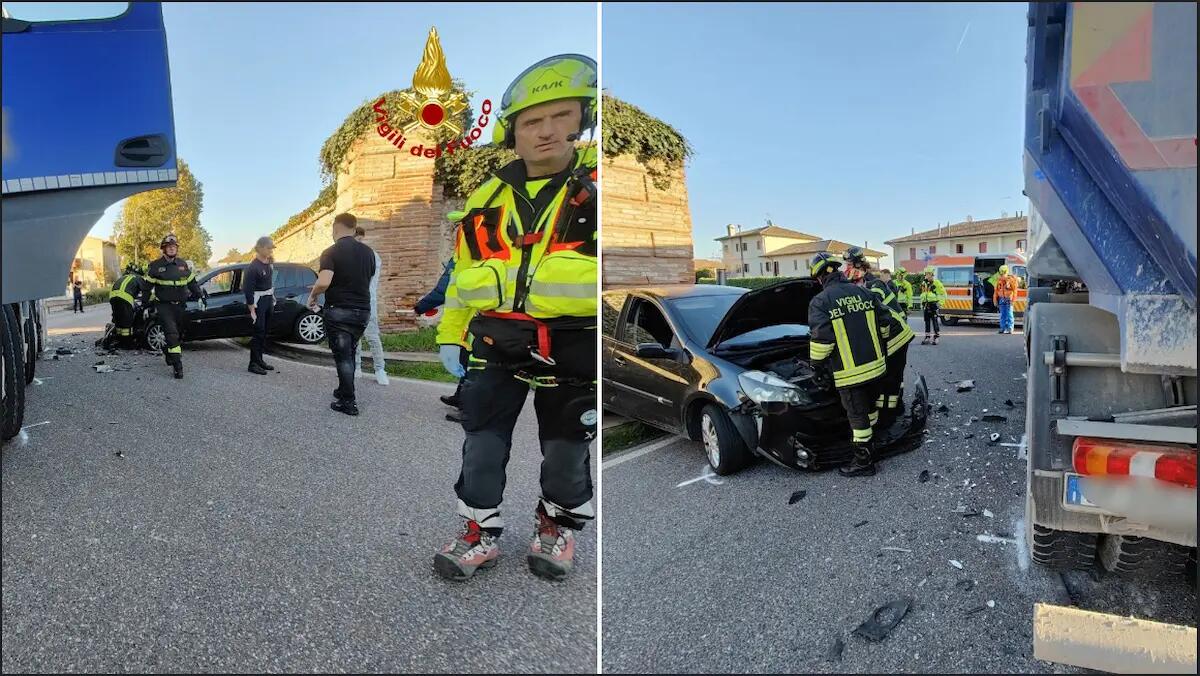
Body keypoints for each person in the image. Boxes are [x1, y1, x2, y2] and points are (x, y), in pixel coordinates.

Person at [433, 53, 598, 582]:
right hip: (494, 342)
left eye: (561, 116)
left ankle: (556, 528)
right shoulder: (485, 198)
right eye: (531, 121)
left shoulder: (600, 193)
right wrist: (451, 336)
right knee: (481, 442)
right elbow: (463, 277)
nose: (546, 131)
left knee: (566, 450)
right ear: (513, 132)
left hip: (572, 345)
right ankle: (478, 534)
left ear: (582, 120)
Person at [807, 253, 891, 477]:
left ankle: (863, 462)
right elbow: (885, 322)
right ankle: (871, 443)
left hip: (850, 374)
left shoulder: (821, 301)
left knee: (857, 415)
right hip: (877, 367)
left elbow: (822, 342)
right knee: (871, 410)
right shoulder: (863, 291)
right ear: (838, 271)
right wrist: (879, 344)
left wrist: (816, 367)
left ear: (819, 279)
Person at [306, 212, 375, 416]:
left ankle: (348, 402)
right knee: (350, 353)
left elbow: (324, 281)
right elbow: (366, 279)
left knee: (343, 357)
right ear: (354, 228)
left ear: (335, 228)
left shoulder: (331, 251)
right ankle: (343, 389)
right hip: (362, 311)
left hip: (340, 311)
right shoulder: (369, 252)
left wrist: (313, 296)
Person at [844, 250, 915, 432]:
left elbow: (877, 319)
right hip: (897, 335)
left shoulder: (872, 287)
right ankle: (897, 407)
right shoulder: (871, 284)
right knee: (894, 378)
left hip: (895, 337)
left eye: (850, 265)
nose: (847, 269)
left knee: (889, 381)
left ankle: (888, 420)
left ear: (859, 266)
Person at [141, 233, 203, 379]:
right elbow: (146, 287)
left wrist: (200, 296)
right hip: (164, 306)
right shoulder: (155, 266)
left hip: (180, 306)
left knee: (178, 335)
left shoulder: (183, 264)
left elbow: (192, 282)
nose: (171, 249)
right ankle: (178, 367)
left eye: (174, 246)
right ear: (164, 249)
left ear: (177, 249)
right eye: (168, 247)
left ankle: (168, 351)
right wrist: (144, 305)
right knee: (172, 334)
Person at [353, 226, 389, 386]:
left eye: (360, 239)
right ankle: (357, 367)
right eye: (355, 239)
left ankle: (380, 370)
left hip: (368, 301)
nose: (358, 242)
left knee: (373, 337)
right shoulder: (351, 255)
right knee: (355, 337)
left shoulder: (372, 255)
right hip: (353, 300)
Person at [244, 236, 276, 375]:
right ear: (261, 248)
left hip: (268, 300)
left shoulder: (268, 262)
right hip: (258, 303)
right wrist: (252, 308)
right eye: (269, 248)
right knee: (258, 332)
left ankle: (260, 360)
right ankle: (253, 364)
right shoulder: (253, 267)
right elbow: (248, 289)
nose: (271, 251)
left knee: (264, 332)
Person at [105, 263, 146, 349]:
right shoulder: (139, 278)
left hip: (113, 296)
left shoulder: (126, 277)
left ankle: (117, 338)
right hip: (125, 298)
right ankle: (126, 343)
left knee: (118, 318)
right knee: (127, 321)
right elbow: (146, 292)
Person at [918, 266, 947, 345]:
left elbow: (943, 294)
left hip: (934, 304)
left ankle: (936, 337)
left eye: (929, 274)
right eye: (926, 274)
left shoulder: (937, 283)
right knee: (927, 321)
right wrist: (922, 303)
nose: (927, 275)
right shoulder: (924, 283)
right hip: (926, 305)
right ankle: (927, 337)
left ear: (932, 274)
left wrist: (940, 304)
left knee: (934, 321)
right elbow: (923, 294)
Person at [993, 264, 1019, 334]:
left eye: (1003, 273)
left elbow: (1015, 291)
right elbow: (995, 292)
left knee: (1009, 314)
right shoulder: (998, 281)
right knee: (1003, 315)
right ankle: (1002, 328)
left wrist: (1013, 300)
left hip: (1009, 299)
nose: (1002, 274)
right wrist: (995, 301)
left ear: (1006, 272)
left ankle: (1010, 328)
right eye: (1001, 273)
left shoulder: (1011, 280)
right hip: (1001, 299)